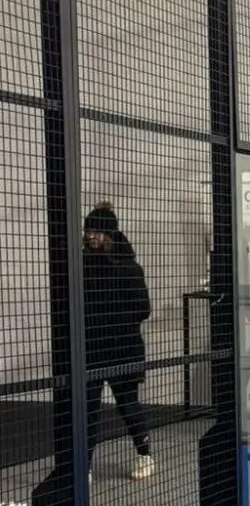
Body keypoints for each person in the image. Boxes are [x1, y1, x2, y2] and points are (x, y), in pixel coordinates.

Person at [82, 202, 154, 481]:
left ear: (109, 235)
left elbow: (143, 309)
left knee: (128, 404)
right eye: (88, 230)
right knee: (87, 409)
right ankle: (83, 464)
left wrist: (108, 320)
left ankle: (145, 454)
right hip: (90, 350)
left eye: (96, 231)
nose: (89, 236)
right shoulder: (82, 266)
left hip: (123, 349)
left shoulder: (128, 268)